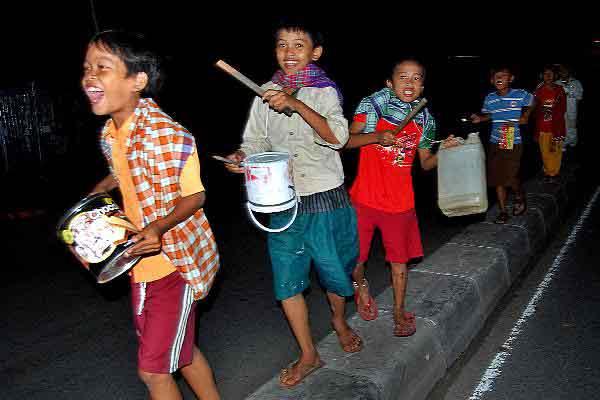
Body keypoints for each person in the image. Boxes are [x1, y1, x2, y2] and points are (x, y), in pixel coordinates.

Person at [83, 30, 220, 400]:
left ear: (137, 80)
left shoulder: (168, 136)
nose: (89, 77)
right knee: (183, 353)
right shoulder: (112, 132)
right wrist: (104, 187)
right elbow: (126, 166)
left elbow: (195, 194)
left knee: (153, 371)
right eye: (86, 68)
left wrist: (159, 225)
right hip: (139, 264)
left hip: (173, 264)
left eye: (102, 67)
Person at [224, 19, 361, 388]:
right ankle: (308, 353)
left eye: (298, 45)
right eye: (282, 44)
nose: (289, 52)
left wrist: (297, 105)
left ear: (314, 52)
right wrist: (242, 157)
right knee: (287, 281)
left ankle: (339, 320)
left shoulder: (324, 92)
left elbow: (337, 137)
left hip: (323, 196)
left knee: (334, 273)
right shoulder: (264, 93)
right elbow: (255, 143)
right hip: (281, 200)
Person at [345, 59, 458, 337]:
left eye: (416, 78)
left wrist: (446, 150)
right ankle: (361, 287)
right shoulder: (372, 107)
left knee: (399, 261)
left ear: (422, 85)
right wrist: (376, 136)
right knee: (354, 261)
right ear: (390, 82)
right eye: (403, 77)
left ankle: (397, 310)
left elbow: (427, 163)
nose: (410, 83)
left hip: (400, 203)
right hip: (364, 199)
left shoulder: (425, 120)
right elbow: (345, 141)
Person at [471, 66, 533, 224]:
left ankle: (519, 195)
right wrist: (481, 119)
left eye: (503, 76)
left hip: (510, 136)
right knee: (498, 178)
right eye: (496, 76)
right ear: (491, 80)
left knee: (509, 176)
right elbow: (491, 115)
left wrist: (525, 115)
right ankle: (503, 211)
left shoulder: (519, 94)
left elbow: (533, 100)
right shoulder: (489, 98)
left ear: (511, 79)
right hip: (494, 140)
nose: (499, 78)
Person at [533, 65, 566, 183]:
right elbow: (534, 107)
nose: (548, 76)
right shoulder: (539, 90)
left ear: (555, 76)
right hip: (542, 127)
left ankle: (553, 173)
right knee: (544, 151)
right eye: (545, 74)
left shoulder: (559, 90)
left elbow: (563, 108)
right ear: (542, 76)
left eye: (550, 73)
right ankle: (548, 170)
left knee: (554, 151)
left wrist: (552, 109)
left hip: (555, 127)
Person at [555, 64, 583, 153]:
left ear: (569, 71)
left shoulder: (576, 82)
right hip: (561, 111)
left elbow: (579, 97)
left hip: (572, 109)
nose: (563, 72)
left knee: (572, 126)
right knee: (562, 127)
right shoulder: (557, 83)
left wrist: (575, 109)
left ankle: (572, 144)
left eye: (565, 70)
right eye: (561, 71)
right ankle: (563, 145)